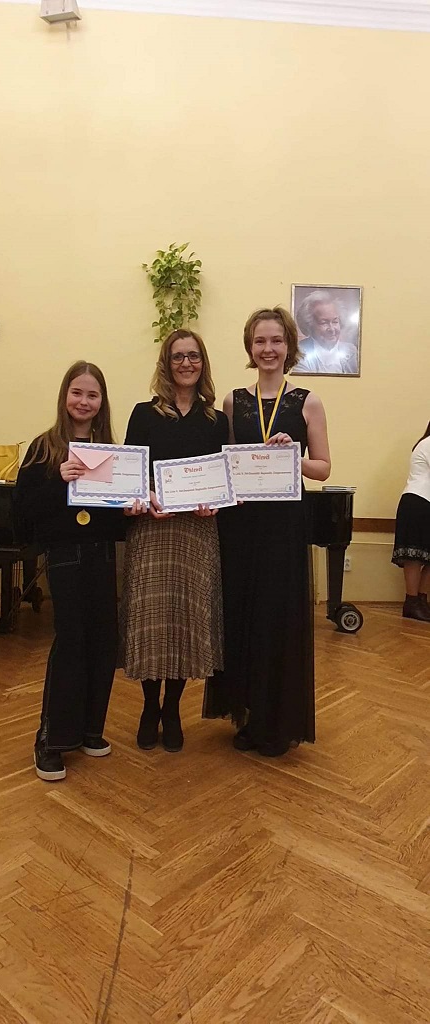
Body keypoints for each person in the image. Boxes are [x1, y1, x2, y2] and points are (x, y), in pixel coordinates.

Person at [203, 307, 331, 757]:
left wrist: (294, 455)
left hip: (283, 526)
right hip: (241, 524)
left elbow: (323, 468)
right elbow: (225, 462)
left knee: (278, 617)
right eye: (260, 341)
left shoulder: (308, 401)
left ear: (289, 346)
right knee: (244, 614)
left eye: (276, 340)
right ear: (249, 347)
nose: (268, 349)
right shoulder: (233, 401)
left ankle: (277, 722)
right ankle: (248, 714)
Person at [16, 361, 128, 781]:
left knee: (103, 641)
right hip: (65, 556)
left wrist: (130, 505)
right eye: (77, 392)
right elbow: (22, 512)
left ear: (102, 402)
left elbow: (115, 518)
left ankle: (89, 731)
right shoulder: (44, 448)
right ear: (65, 396)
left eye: (92, 395)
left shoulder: (112, 450)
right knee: (72, 641)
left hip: (104, 556)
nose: (84, 401)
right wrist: (57, 481)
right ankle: (50, 741)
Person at [121, 329, 229, 752]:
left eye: (193, 356)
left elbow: (223, 478)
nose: (186, 363)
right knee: (151, 620)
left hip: (196, 531)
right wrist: (146, 495)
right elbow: (130, 473)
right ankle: (150, 706)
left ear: (203, 363)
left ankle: (172, 708)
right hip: (152, 528)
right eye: (178, 356)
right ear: (166, 364)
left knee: (186, 618)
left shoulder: (216, 420)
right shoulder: (143, 414)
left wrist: (214, 503)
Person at [391, 422, 430, 622]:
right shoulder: (428, 443)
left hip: (424, 503)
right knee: (414, 555)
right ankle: (412, 602)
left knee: (427, 556)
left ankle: (421, 601)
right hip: (418, 502)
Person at [295, 290, 358, 374]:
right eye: (324, 323)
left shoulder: (351, 351)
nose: (332, 329)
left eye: (335, 322)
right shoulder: (299, 353)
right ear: (309, 325)